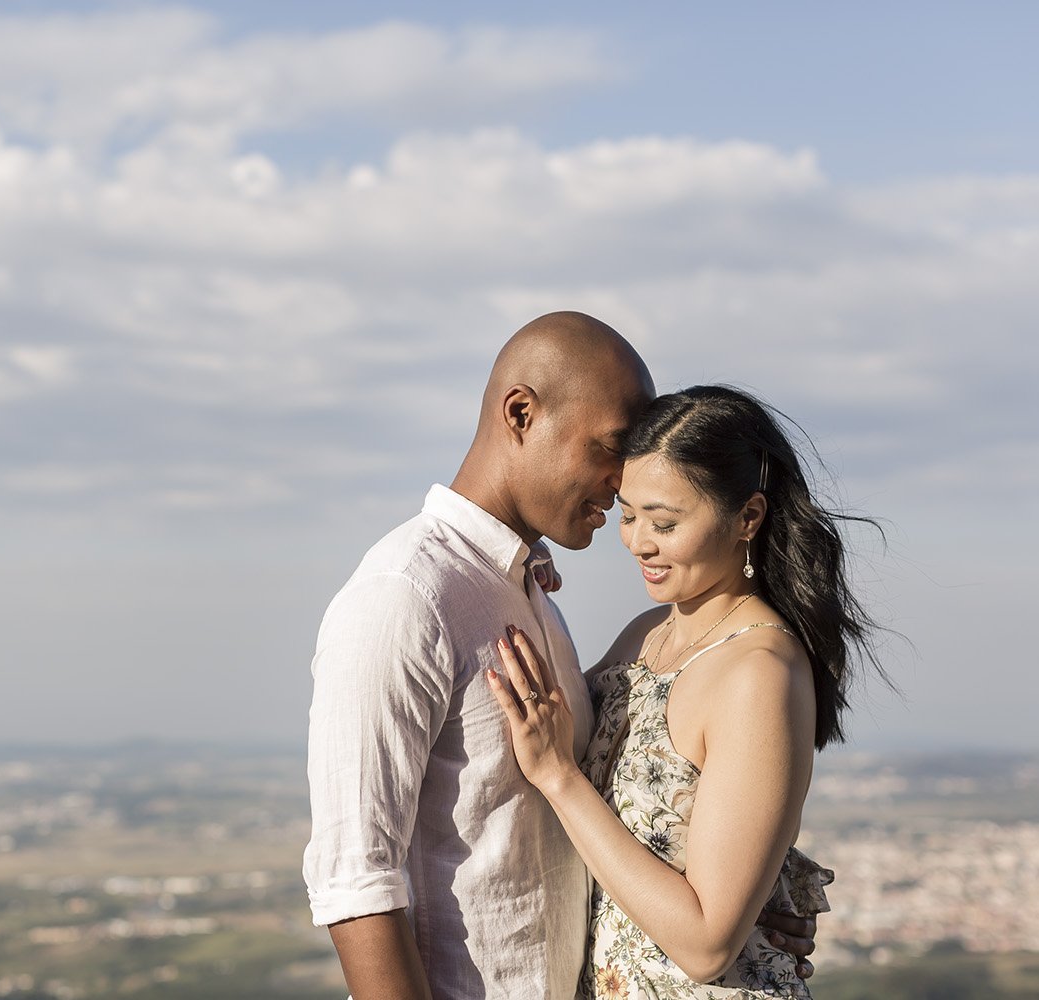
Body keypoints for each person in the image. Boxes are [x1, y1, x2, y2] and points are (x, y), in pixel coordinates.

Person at [303, 316, 817, 1000]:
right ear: (521, 413)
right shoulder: (406, 597)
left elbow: (647, 798)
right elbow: (355, 881)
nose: (619, 480)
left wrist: (756, 891)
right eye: (609, 448)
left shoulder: (530, 593)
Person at [487, 385, 874, 998]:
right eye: (629, 515)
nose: (639, 542)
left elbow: (705, 944)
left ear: (748, 516)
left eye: (665, 522)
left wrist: (560, 777)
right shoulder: (644, 636)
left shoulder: (760, 672)